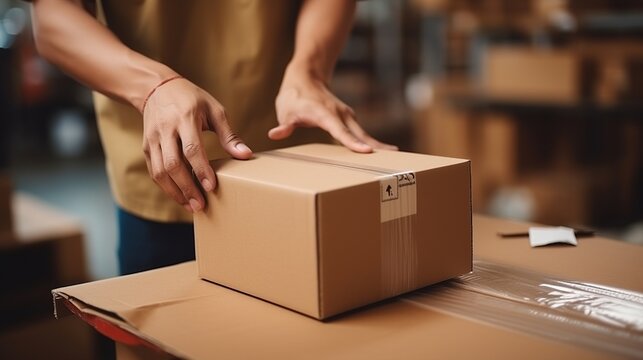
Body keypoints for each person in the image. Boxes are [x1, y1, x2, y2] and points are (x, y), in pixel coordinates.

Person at [30, 0, 397, 275]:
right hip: (165, 180)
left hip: (293, 168)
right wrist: (152, 86)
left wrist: (310, 70)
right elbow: (52, 16)